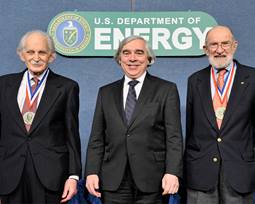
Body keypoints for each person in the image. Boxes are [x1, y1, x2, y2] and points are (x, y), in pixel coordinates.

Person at [85, 35, 183, 204]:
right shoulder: (105, 92)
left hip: (152, 180)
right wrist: (91, 172)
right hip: (113, 181)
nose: (132, 58)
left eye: (139, 53)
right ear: (119, 59)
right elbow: (96, 138)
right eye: (126, 53)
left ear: (149, 58)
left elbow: (174, 137)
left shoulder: (166, 90)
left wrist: (172, 172)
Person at [0, 30, 81, 203]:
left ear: (51, 56)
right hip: (9, 174)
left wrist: (73, 176)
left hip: (50, 176)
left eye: (42, 52)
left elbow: (71, 136)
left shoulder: (67, 87)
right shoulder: (3, 85)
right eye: (30, 52)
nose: (36, 57)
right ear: (21, 55)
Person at [185, 25, 255, 203]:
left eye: (225, 43)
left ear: (235, 45)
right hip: (201, 172)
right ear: (205, 49)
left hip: (240, 172)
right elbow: (191, 128)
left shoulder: (252, 78)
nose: (219, 50)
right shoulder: (195, 80)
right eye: (213, 44)